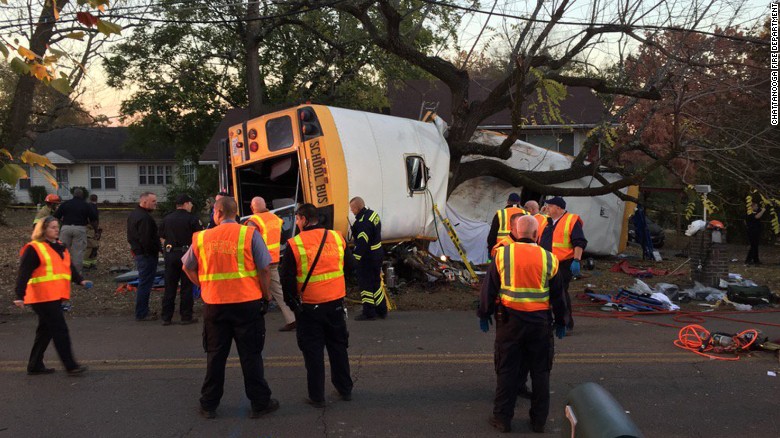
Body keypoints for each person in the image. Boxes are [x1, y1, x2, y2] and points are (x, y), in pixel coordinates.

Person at [182, 196, 279, 420]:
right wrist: (265, 295)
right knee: (251, 356)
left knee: (216, 356)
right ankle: (260, 403)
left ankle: (209, 404)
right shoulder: (249, 234)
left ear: (217, 213)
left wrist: (204, 285)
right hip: (246, 304)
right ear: (236, 213)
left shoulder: (202, 237)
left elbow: (187, 267)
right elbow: (265, 268)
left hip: (215, 305)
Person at [477, 215, 568, 434]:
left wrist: (484, 313)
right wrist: (562, 320)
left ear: (516, 233)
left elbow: (489, 288)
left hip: (510, 322)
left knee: (507, 369)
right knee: (540, 372)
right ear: (537, 235)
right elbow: (559, 295)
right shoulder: (549, 258)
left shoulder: (501, 255)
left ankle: (502, 419)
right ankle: (538, 422)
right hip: (540, 324)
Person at [281, 203, 353, 407]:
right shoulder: (337, 237)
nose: (296, 222)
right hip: (336, 303)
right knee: (338, 347)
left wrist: (292, 303)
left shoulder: (295, 244)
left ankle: (317, 396)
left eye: (296, 219)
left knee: (313, 352)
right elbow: (349, 266)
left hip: (309, 307)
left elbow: (286, 278)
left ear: (303, 219)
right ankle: (345, 389)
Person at [14, 216, 92, 376]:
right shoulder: (34, 248)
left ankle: (34, 365)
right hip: (41, 297)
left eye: (57, 227)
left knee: (45, 331)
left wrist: (80, 281)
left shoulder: (60, 246)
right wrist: (19, 295)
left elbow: (67, 267)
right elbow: (23, 273)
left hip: (54, 296)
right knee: (60, 330)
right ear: (42, 230)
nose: (56, 230)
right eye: (52, 227)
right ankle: (71, 366)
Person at [245, 196, 296, 331]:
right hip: (274, 258)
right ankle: (292, 317)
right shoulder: (275, 218)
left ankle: (292, 318)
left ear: (252, 208)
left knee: (254, 289)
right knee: (277, 289)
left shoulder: (254, 221)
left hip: (260, 261)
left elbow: (250, 242)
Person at [539, 197, 586, 332]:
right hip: (546, 263)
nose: (547, 208)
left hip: (563, 263)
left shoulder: (571, 220)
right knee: (546, 294)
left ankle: (565, 323)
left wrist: (576, 260)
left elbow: (579, 242)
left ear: (559, 208)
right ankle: (550, 321)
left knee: (560, 293)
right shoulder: (546, 221)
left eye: (550, 206)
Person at [158, 194, 203, 326]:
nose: (192, 206)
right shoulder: (192, 219)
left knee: (170, 286)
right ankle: (186, 316)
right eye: (190, 203)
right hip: (187, 254)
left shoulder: (167, 219)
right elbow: (199, 237)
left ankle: (166, 317)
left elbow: (161, 236)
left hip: (171, 255)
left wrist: (167, 248)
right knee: (187, 287)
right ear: (185, 204)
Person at [349, 197, 387, 321]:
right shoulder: (372, 214)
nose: (351, 211)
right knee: (376, 283)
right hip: (377, 253)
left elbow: (362, 244)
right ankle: (381, 310)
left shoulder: (362, 223)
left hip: (367, 258)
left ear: (356, 208)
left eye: (352, 208)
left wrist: (355, 260)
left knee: (365, 285)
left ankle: (369, 312)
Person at [127, 192, 161, 321]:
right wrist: (153, 251)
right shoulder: (144, 218)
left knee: (144, 282)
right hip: (146, 255)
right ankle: (142, 312)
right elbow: (146, 239)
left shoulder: (134, 214)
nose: (155, 204)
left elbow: (131, 236)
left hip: (139, 252)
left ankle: (142, 311)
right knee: (145, 283)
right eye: (153, 201)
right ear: (144, 201)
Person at [53, 188, 98, 274]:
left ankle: (61, 270)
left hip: (66, 228)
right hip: (80, 229)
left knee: (63, 249)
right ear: (82, 195)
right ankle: (76, 273)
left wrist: (59, 227)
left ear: (73, 195)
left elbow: (56, 216)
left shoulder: (65, 203)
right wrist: (96, 231)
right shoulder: (86, 205)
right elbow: (93, 220)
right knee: (78, 252)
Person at [83, 194, 101, 270]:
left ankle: (91, 263)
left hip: (89, 229)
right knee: (91, 247)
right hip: (91, 229)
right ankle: (86, 265)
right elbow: (94, 220)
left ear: (90, 199)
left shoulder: (87, 206)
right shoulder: (93, 207)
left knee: (94, 247)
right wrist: (97, 231)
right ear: (96, 199)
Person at [745, 200, 766, 265]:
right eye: (756, 206)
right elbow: (757, 217)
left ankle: (756, 260)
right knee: (753, 246)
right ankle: (748, 260)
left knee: (755, 246)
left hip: (756, 231)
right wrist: (763, 211)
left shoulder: (755, 211)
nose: (757, 207)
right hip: (752, 231)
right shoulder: (750, 213)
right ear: (752, 207)